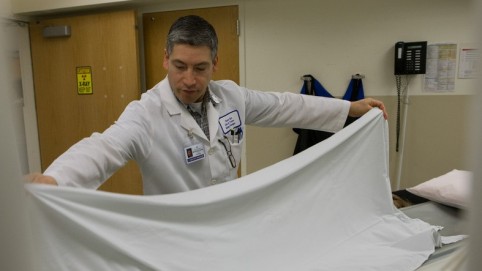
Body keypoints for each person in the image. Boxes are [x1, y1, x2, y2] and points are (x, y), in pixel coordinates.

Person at [28, 15, 387, 195]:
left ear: (214, 64)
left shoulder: (231, 95)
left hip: (227, 217)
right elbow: (104, 147)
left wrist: (350, 109)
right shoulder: (146, 113)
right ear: (165, 59)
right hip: (174, 235)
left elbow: (284, 106)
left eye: (200, 68)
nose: (189, 79)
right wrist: (56, 179)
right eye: (180, 66)